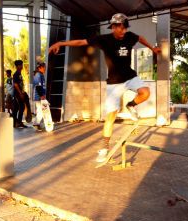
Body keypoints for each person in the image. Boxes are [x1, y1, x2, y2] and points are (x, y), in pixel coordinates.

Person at [49, 13, 161, 162]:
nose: (123, 31)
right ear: (113, 27)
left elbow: (140, 38)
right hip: (114, 83)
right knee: (111, 117)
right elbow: (81, 42)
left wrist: (152, 48)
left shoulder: (130, 36)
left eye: (125, 28)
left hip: (130, 76)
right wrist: (61, 44)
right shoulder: (104, 40)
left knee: (145, 92)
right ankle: (104, 147)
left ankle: (131, 105)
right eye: (120, 28)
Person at [12, 60, 27, 128]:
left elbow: (20, 84)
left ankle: (16, 123)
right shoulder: (16, 74)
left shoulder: (19, 74)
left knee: (16, 108)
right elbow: (15, 85)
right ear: (17, 66)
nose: (22, 66)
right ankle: (18, 122)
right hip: (17, 94)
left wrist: (23, 92)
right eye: (20, 65)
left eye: (22, 64)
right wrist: (20, 93)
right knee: (21, 107)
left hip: (19, 93)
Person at [32, 62, 47, 131]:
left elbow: (42, 86)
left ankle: (38, 123)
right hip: (38, 96)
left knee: (41, 111)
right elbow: (38, 86)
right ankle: (36, 123)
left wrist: (44, 95)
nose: (45, 69)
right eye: (44, 67)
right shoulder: (38, 75)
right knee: (40, 111)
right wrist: (41, 96)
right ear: (40, 67)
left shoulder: (41, 75)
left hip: (41, 96)